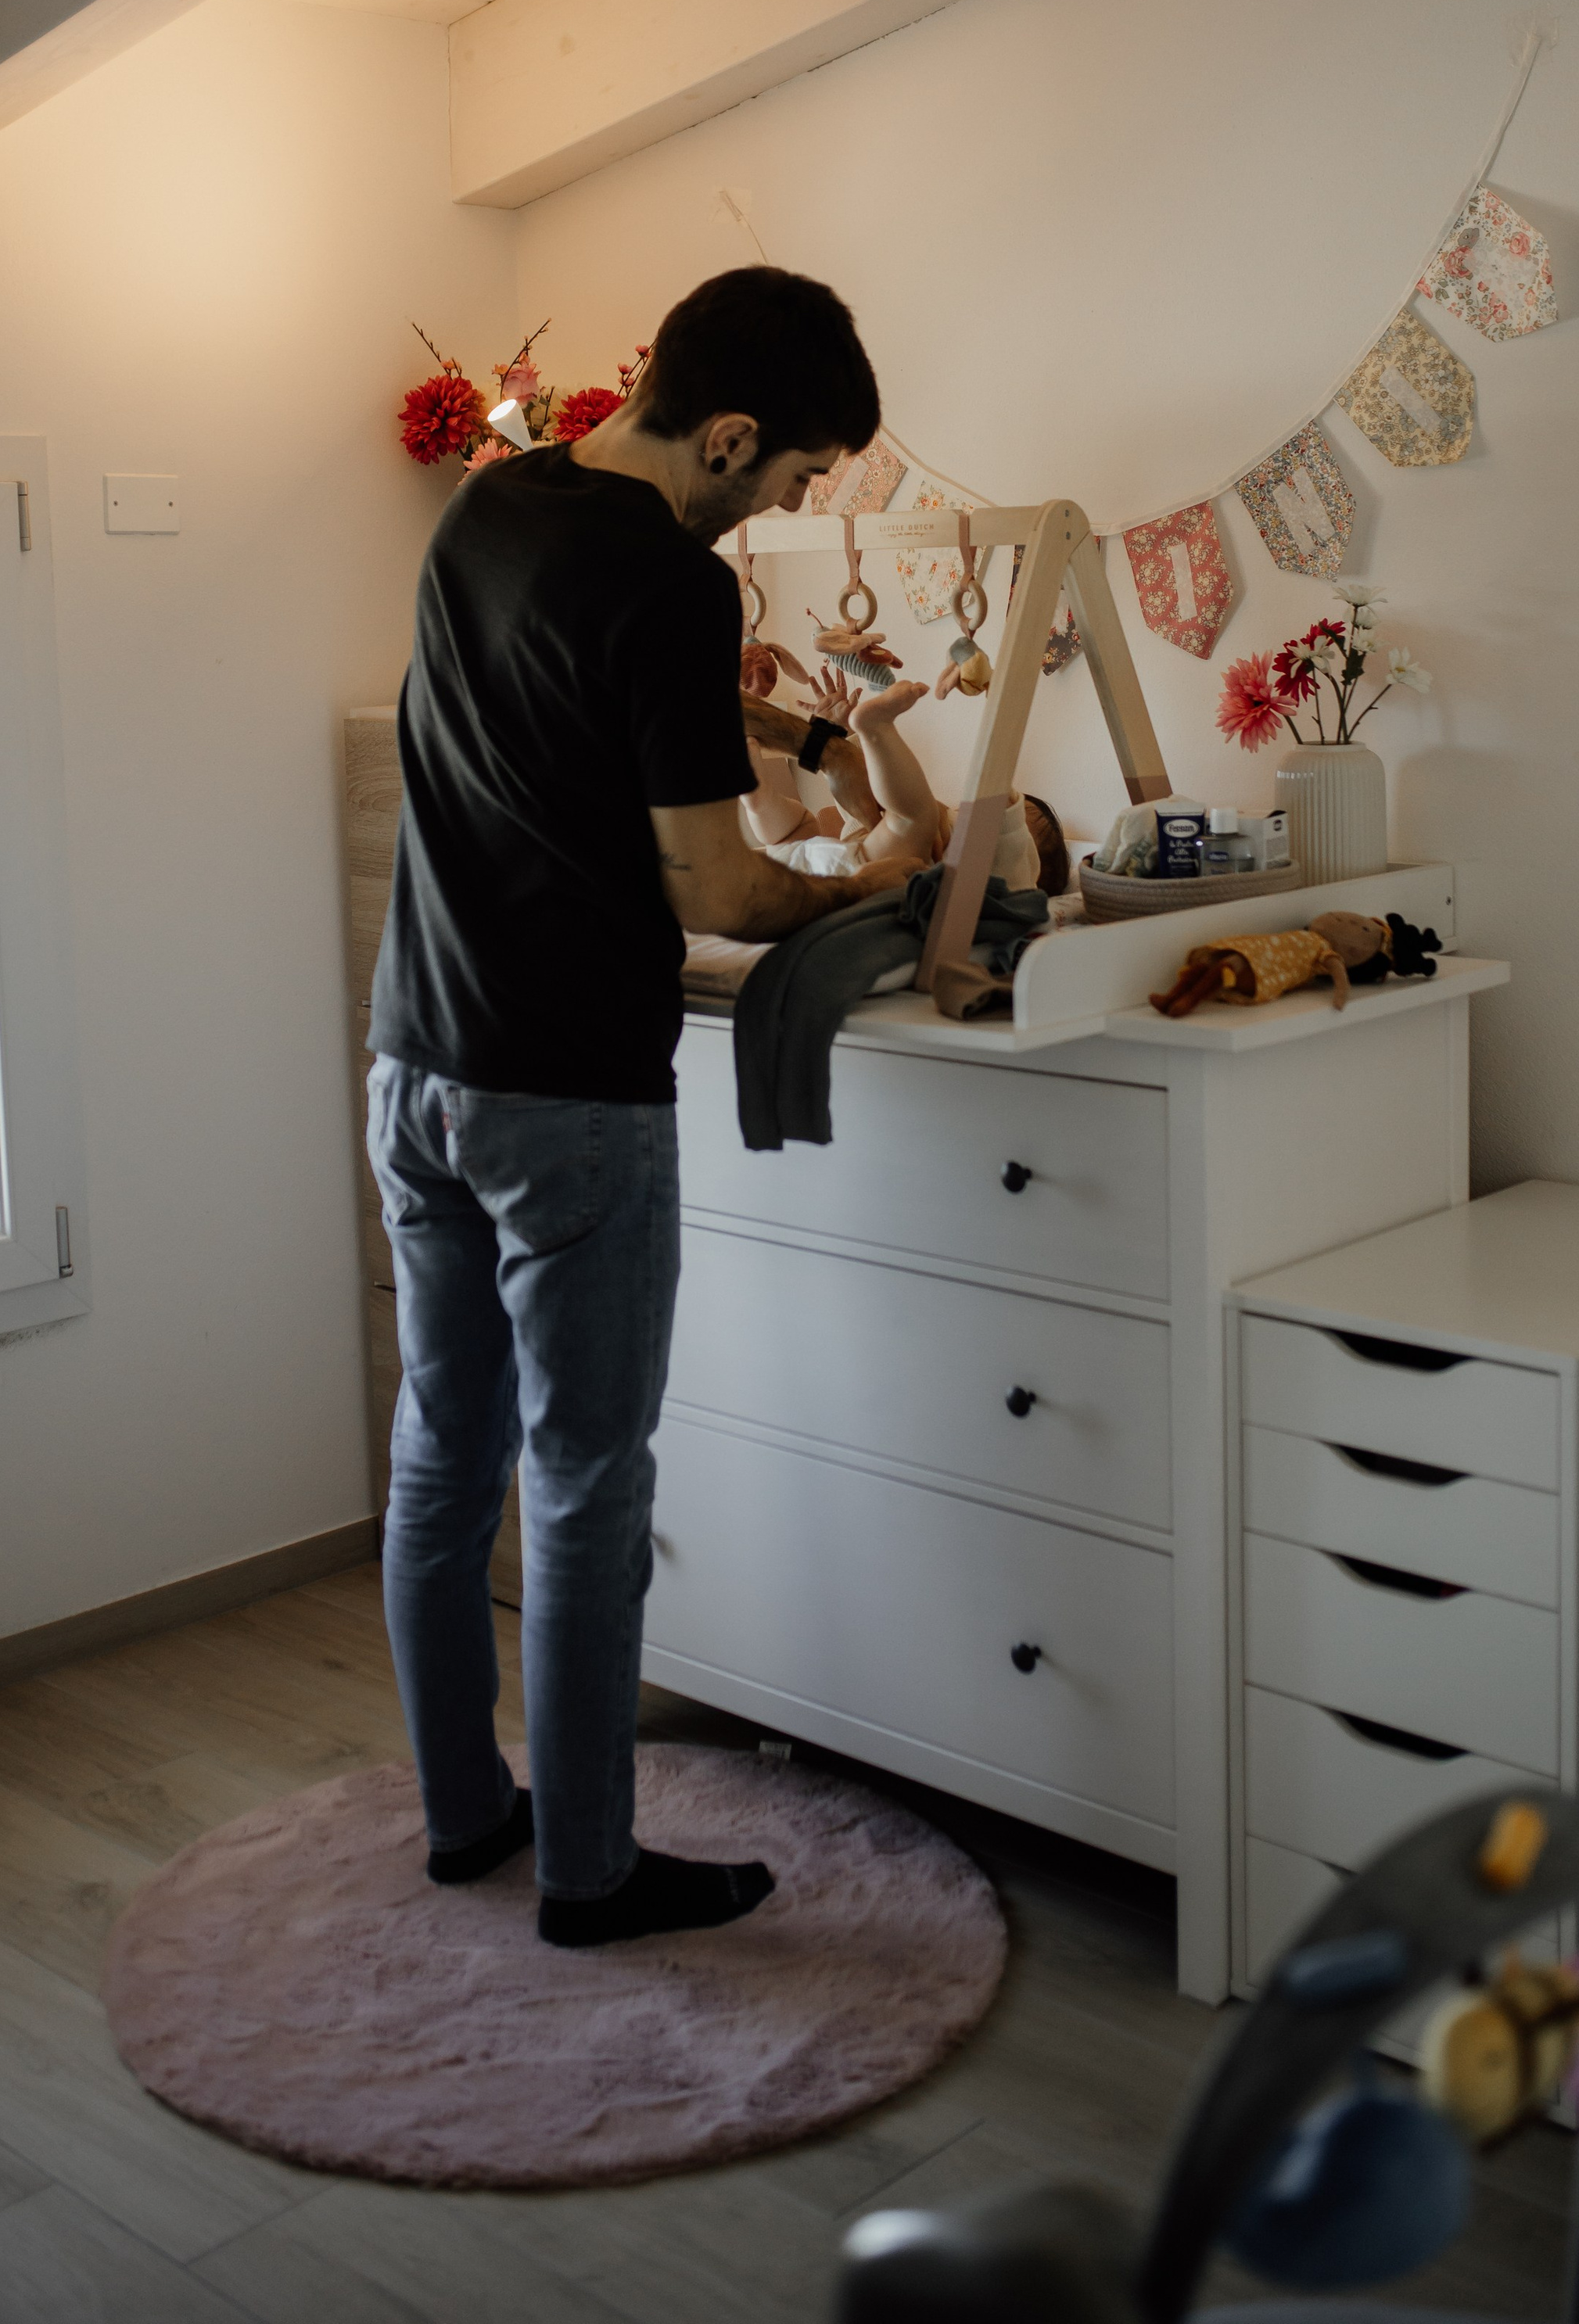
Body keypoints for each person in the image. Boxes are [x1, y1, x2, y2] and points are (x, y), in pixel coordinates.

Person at [366, 267, 913, 1948]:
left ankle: (471, 1813)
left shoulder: (490, 507)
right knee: (591, 1478)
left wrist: (785, 722)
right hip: (565, 1101)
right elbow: (727, 897)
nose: (789, 510)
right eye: (799, 477)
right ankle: (590, 1875)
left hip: (416, 1068)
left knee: (442, 1456)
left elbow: (561, 694)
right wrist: (880, 869)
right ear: (732, 434)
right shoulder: (667, 586)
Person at [741, 661, 1069, 895]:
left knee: (915, 815)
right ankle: (756, 795)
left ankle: (877, 730)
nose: (958, 819)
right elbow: (863, 801)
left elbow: (997, 795)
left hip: (841, 879)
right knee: (797, 829)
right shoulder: (898, 845)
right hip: (821, 872)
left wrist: (995, 695)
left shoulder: (1012, 888)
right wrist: (838, 735)